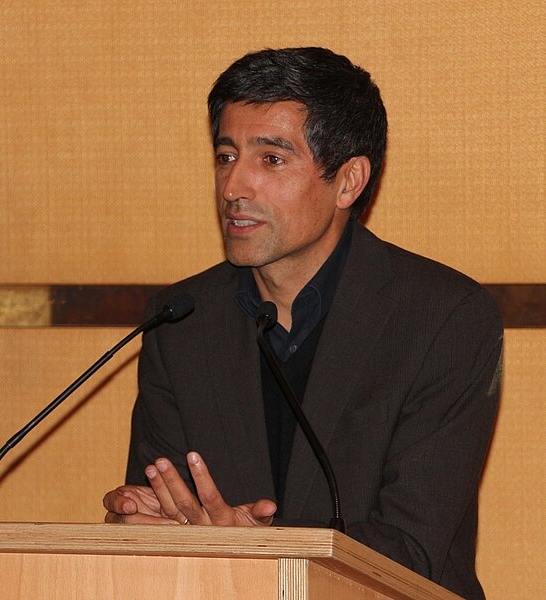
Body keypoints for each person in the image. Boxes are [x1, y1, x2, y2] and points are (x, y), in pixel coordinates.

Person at [103, 47, 502, 599]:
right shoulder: (182, 319)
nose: (233, 187)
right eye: (225, 156)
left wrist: (257, 544)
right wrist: (135, 526)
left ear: (348, 181)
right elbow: (167, 515)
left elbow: (412, 550)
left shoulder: (443, 317)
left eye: (271, 159)